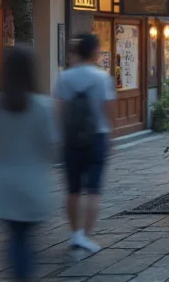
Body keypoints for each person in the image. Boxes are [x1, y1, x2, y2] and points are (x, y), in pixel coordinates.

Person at [0, 46, 56, 282]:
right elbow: (51, 145)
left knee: (16, 238)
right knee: (25, 239)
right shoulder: (43, 106)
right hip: (34, 183)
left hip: (5, 184)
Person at [55, 34, 116, 254]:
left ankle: (75, 234)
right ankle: (86, 237)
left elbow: (59, 109)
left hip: (71, 139)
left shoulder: (65, 77)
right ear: (94, 51)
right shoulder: (102, 78)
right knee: (93, 190)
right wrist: (111, 134)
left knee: (72, 190)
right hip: (97, 136)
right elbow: (109, 109)